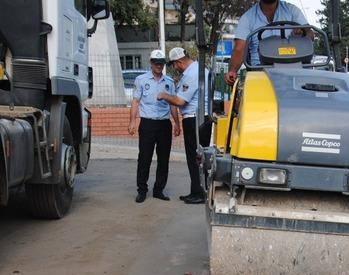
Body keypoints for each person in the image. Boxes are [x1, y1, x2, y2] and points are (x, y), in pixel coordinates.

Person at [157, 47, 212, 204]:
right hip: (200, 118)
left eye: (174, 64)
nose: (174, 68)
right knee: (199, 157)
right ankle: (198, 190)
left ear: (179, 62)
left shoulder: (191, 74)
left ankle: (199, 193)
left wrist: (164, 96)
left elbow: (180, 101)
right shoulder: (198, 70)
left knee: (195, 158)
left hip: (195, 120)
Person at [128, 49, 179, 203]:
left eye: (161, 63)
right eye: (156, 63)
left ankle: (159, 190)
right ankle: (142, 190)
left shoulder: (169, 82)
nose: (158, 65)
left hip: (164, 124)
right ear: (151, 63)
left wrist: (177, 123)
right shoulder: (141, 80)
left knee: (163, 159)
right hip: (147, 123)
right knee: (144, 157)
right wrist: (132, 121)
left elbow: (173, 105)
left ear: (164, 64)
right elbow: (136, 102)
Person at [225, 0, 311, 85]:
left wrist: (303, 32)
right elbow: (239, 48)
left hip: (294, 67)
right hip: (260, 71)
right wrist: (232, 71)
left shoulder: (292, 10)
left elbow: (310, 34)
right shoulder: (247, 18)